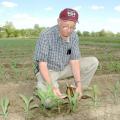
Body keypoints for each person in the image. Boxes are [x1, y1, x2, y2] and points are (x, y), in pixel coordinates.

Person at [34, 8, 99, 99]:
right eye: (65, 26)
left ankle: (75, 91)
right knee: (49, 101)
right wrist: (52, 87)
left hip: (64, 67)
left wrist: (78, 84)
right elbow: (42, 64)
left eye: (72, 27)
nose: (69, 30)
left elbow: (74, 61)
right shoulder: (46, 35)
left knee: (93, 62)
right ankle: (45, 88)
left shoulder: (74, 36)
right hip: (48, 70)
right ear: (59, 21)